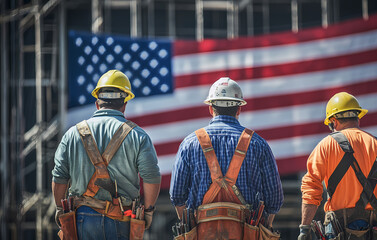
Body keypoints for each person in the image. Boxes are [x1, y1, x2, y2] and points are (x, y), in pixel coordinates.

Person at [52, 70, 161, 239]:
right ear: (124, 104)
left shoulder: (72, 134)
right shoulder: (138, 136)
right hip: (122, 219)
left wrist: (60, 210)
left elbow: (59, 177)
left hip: (81, 219)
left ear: (97, 103)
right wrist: (148, 211)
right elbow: (151, 177)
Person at [169, 77, 284, 239]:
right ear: (239, 109)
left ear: (211, 108)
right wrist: (263, 228)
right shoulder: (258, 144)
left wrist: (191, 228)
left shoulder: (190, 143)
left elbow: (177, 195)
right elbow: (275, 199)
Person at [298, 92, 377, 240]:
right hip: (376, 232)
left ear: (333, 122)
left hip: (338, 231)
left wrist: (304, 229)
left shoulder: (326, 145)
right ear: (358, 118)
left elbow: (311, 188)